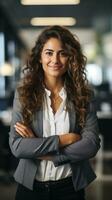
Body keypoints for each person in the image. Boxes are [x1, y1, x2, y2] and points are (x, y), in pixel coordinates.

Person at [9, 25, 100, 200]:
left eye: (63, 53)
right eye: (49, 53)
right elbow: (18, 147)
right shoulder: (23, 93)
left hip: (70, 188)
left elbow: (91, 145)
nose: (55, 60)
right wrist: (64, 140)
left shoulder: (84, 94)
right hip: (30, 188)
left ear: (71, 57)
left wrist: (46, 153)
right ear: (40, 57)